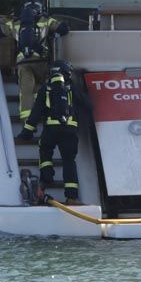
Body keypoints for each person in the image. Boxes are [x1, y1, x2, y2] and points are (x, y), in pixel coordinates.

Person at [25, 60, 90, 205]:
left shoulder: (45, 89)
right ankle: (72, 197)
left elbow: (36, 112)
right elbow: (88, 105)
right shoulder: (72, 88)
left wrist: (27, 131)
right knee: (69, 162)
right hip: (69, 131)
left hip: (50, 131)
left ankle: (44, 183)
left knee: (45, 153)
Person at [4, 1, 68, 140]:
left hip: (23, 63)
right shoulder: (45, 20)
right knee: (45, 93)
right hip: (42, 63)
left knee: (26, 93)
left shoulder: (15, 23)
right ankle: (48, 123)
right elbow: (63, 29)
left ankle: (27, 126)